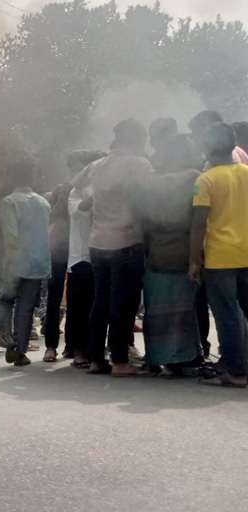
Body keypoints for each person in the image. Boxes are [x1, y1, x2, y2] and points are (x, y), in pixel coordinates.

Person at [78, 119, 199, 377]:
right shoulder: (137, 163)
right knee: (124, 302)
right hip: (125, 241)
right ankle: (121, 361)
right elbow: (159, 187)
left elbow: (80, 189)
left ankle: (97, 359)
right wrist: (188, 175)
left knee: (100, 301)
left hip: (98, 242)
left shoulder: (97, 165)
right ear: (136, 139)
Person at [138, 134, 204, 375]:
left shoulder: (153, 183)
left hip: (156, 254)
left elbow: (144, 219)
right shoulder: (196, 178)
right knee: (183, 308)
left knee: (156, 308)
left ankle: (155, 356)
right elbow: (200, 218)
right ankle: (182, 357)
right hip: (184, 253)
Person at [190, 122, 248, 387]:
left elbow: (199, 223)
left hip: (221, 258)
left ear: (206, 147)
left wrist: (194, 259)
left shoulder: (205, 180)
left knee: (227, 315)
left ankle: (234, 371)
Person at [0, 157, 51, 368]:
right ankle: (21, 352)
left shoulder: (9, 202)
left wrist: (9, 261)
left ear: (11, 176)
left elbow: (11, 235)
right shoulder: (43, 202)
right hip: (38, 263)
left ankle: (8, 338)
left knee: (6, 300)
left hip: (17, 260)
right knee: (26, 308)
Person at [65, 150, 108, 370]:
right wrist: (97, 195)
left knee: (97, 307)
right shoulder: (76, 192)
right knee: (78, 308)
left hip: (101, 254)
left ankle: (95, 352)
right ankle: (79, 352)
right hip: (80, 257)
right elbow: (78, 210)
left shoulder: (102, 190)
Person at [43, 178, 72, 363]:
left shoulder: (76, 209)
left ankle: (71, 346)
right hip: (57, 258)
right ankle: (51, 347)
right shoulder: (53, 212)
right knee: (53, 301)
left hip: (77, 256)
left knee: (76, 303)